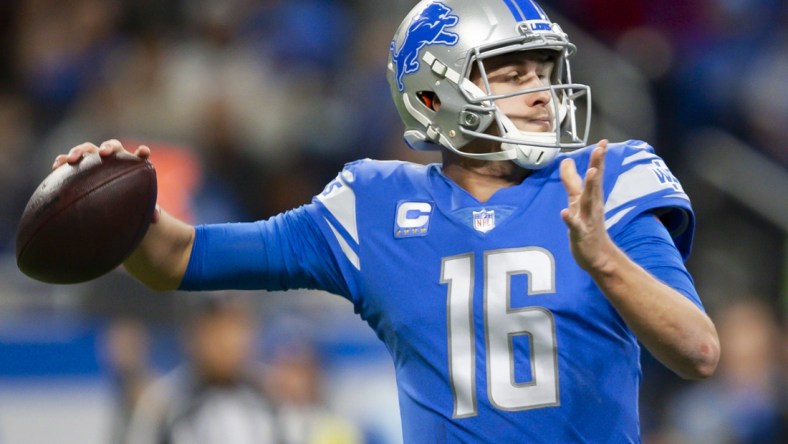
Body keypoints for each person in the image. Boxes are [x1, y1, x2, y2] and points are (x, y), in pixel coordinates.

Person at [53, 0, 720, 441]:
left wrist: (604, 257)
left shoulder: (609, 180)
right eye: (511, 73)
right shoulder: (370, 207)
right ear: (438, 95)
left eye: (544, 72)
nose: (541, 94)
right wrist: (115, 204)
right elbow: (178, 260)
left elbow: (697, 350)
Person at [124, 295, 280, 444]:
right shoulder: (161, 401)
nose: (227, 341)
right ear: (192, 333)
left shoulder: (274, 393)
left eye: (235, 326)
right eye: (215, 328)